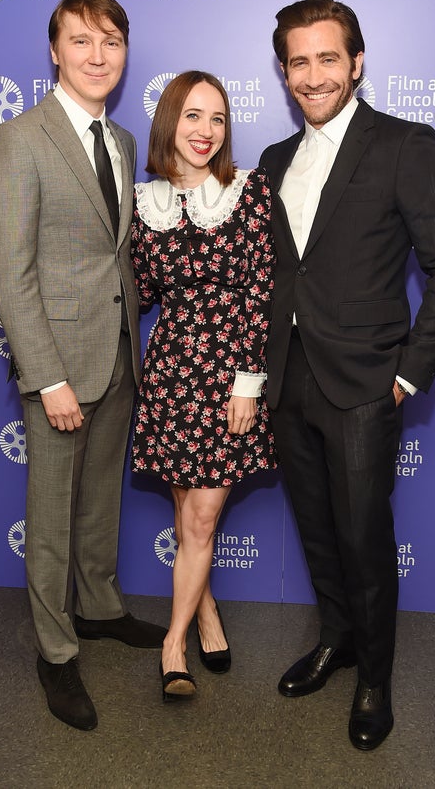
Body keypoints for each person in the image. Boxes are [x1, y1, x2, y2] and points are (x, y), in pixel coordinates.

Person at [259, 0, 435, 750]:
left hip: (364, 385)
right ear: (284, 73)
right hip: (288, 381)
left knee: (363, 538)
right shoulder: (273, 162)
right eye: (298, 62)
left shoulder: (405, 145)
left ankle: (375, 677)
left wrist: (408, 376)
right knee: (318, 533)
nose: (312, 75)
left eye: (327, 58)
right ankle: (336, 641)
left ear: (356, 62)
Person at [0, 0, 166, 732]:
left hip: (120, 355)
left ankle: (97, 609)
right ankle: (56, 653)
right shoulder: (18, 138)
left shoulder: (121, 141)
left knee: (100, 502)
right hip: (59, 364)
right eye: (82, 41)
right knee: (52, 517)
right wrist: (47, 375)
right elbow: (10, 270)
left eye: (112, 42)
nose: (98, 56)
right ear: (54, 51)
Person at [131, 71, 276, 700]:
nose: (205, 131)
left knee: (204, 513)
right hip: (169, 371)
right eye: (193, 116)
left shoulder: (249, 193)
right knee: (187, 507)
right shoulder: (144, 203)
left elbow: (262, 291)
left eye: (217, 119)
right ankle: (207, 611)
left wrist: (248, 381)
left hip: (229, 371)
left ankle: (172, 643)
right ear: (170, 123)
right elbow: (139, 292)